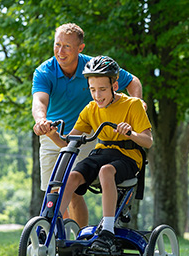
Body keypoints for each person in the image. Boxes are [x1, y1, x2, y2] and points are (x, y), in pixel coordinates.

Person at [32, 23, 145, 228]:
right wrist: (41, 122)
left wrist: (138, 105)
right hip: (55, 131)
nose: (60, 51)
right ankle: (58, 238)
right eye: (57, 45)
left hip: (88, 133)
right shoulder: (44, 71)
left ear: (80, 48)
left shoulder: (95, 68)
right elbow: (39, 101)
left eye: (67, 46)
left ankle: (79, 238)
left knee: (74, 187)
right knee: (53, 190)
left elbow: (133, 81)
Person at [46, 56, 153, 251]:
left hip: (128, 157)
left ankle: (108, 231)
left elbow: (148, 141)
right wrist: (53, 135)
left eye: (102, 89)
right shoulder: (90, 109)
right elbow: (67, 143)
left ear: (115, 85)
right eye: (92, 90)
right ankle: (50, 227)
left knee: (105, 171)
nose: (97, 95)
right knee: (72, 176)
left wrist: (131, 133)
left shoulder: (133, 105)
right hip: (101, 153)